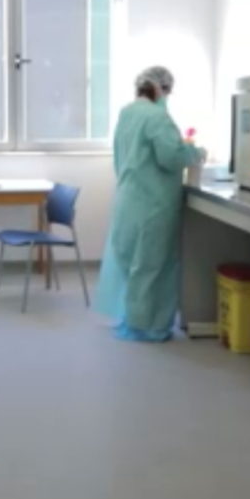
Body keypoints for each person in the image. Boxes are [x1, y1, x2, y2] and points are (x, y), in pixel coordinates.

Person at [95, 66, 202, 342]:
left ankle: (131, 318)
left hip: (128, 198)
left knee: (131, 261)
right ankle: (148, 326)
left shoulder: (127, 113)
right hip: (153, 202)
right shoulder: (158, 117)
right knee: (152, 265)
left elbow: (123, 154)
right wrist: (194, 153)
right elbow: (170, 158)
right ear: (162, 90)